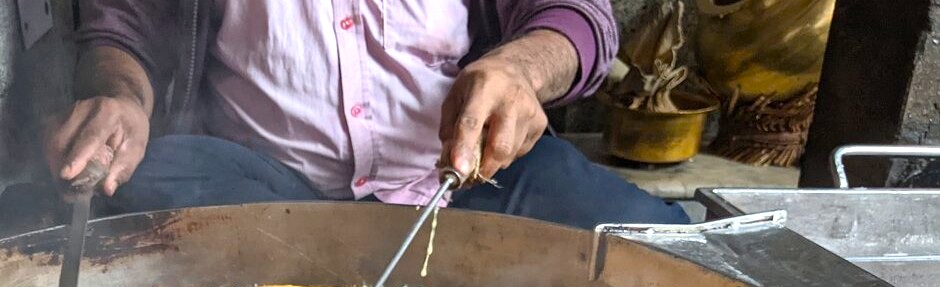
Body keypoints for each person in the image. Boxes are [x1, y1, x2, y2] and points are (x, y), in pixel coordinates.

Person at [47, 1, 688, 228]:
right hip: (269, 187)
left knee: (643, 235)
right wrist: (122, 97)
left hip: (462, 174)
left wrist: (521, 70)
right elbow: (122, 30)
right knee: (130, 182)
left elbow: (580, 19)